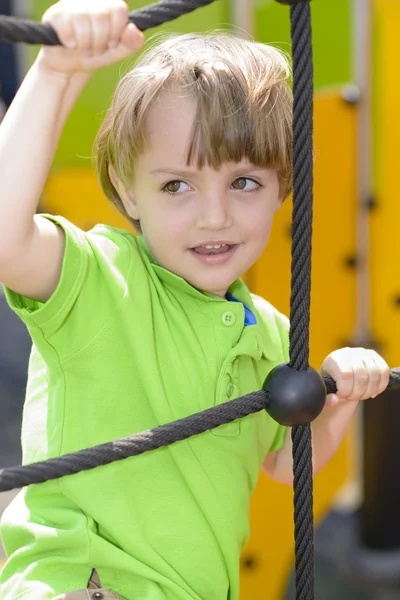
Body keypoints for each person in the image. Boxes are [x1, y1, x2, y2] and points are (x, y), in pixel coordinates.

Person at [0, 1, 390, 598]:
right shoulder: (102, 279)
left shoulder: (270, 334)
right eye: (176, 185)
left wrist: (338, 398)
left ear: (284, 187)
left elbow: (288, 466)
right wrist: (56, 74)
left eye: (244, 182)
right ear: (127, 189)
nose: (214, 216)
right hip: (83, 584)